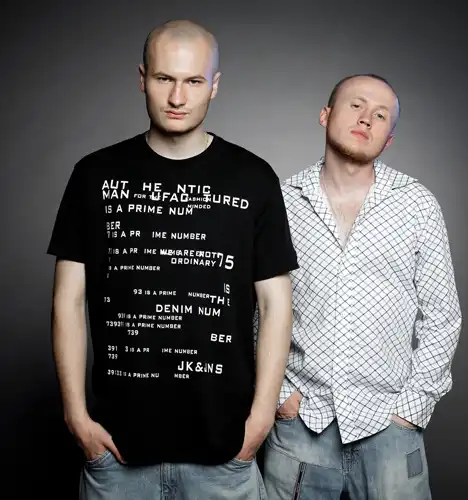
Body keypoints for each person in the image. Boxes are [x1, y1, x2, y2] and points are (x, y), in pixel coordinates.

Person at [47, 19, 298, 500]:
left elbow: (276, 305)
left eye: (193, 81)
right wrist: (76, 415)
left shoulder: (253, 177)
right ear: (142, 78)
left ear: (214, 86)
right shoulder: (93, 175)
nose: (178, 97)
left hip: (224, 456)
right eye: (165, 78)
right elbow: (68, 300)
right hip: (115, 455)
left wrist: (261, 419)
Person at [261, 74, 462, 499]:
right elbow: (251, 309)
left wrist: (410, 410)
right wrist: (280, 396)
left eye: (380, 115)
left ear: (388, 139)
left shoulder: (417, 204)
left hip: (390, 430)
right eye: (356, 105)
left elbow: (443, 316)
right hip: (302, 426)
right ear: (325, 115)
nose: (366, 118)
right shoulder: (280, 201)